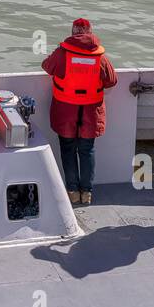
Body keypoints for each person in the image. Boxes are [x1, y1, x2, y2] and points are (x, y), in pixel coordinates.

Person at [41, 18, 118, 206]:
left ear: (73, 32)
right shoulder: (99, 56)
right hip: (91, 112)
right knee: (87, 150)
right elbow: (112, 80)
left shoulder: (62, 53)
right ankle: (87, 192)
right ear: (90, 32)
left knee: (68, 150)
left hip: (66, 110)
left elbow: (46, 66)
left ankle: (73, 191)